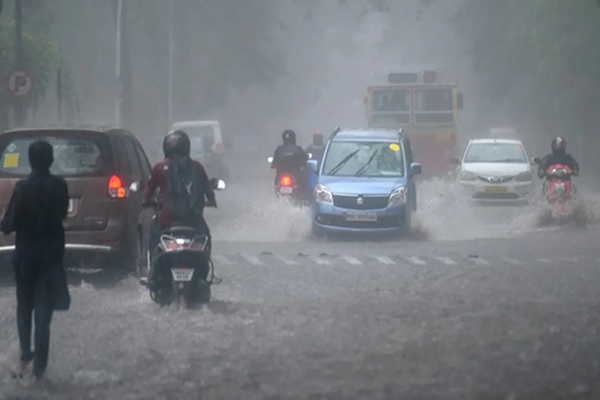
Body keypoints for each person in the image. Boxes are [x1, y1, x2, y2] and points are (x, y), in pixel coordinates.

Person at [1, 140, 70, 381]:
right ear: (51, 161)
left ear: (30, 162)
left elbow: (7, 226)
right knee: (43, 312)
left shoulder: (22, 188)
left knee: (24, 308)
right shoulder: (60, 186)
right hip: (50, 258)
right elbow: (62, 214)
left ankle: (25, 354)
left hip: (26, 259)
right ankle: (40, 368)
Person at [143, 130, 217, 273]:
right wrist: (211, 201)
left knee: (154, 239)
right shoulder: (197, 167)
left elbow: (148, 191)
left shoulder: (159, 168)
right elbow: (208, 190)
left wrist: (146, 202)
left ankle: (151, 271)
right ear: (186, 147)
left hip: (167, 222)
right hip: (194, 222)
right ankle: (205, 271)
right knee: (206, 237)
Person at [271, 129, 309, 196]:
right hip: (295, 176)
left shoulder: (279, 149)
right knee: (304, 183)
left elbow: (274, 163)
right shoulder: (298, 148)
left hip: (282, 175)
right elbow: (305, 158)